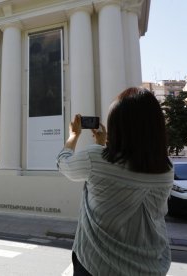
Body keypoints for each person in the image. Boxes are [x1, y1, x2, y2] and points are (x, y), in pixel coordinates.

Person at [57, 87, 173, 276]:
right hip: (152, 265)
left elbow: (63, 163)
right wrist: (102, 146)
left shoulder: (95, 159)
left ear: (117, 126)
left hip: (97, 265)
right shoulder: (166, 168)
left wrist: (73, 135)